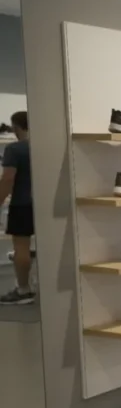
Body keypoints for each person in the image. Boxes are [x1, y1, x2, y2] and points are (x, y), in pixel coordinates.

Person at [0, 111, 35, 305]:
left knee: (21, 248)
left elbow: (7, 179)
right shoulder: (45, 147)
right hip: (44, 204)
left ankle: (23, 290)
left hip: (22, 203)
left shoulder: (15, 149)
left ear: (16, 127)